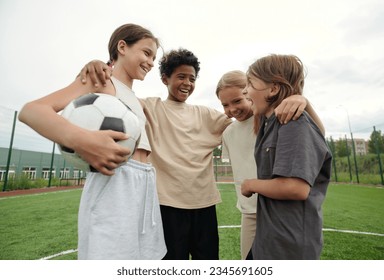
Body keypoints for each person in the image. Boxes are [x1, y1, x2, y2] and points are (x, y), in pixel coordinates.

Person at [79, 51, 324, 260]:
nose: (187, 82)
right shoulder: (150, 107)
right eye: (180, 77)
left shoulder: (212, 116)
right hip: (168, 206)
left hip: (206, 206)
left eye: (192, 78)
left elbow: (254, 117)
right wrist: (103, 68)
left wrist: (299, 98)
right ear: (165, 78)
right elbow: (119, 96)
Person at [18, 23, 167, 260]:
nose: (150, 62)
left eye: (153, 57)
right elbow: (31, 111)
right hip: (114, 183)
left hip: (145, 183)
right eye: (146, 53)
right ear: (122, 47)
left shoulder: (136, 101)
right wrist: (81, 139)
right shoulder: (100, 80)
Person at [216, 70, 325, 259]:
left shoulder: (272, 118)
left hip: (278, 210)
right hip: (250, 212)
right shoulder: (228, 133)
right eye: (225, 104)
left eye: (237, 101)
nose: (231, 109)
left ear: (249, 93)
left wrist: (303, 101)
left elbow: (318, 133)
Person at [241, 54, 332, 260]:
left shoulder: (293, 123)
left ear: (273, 89)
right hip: (270, 240)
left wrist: (251, 184)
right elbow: (320, 133)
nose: (245, 90)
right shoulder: (270, 123)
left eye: (250, 83)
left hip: (288, 248)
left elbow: (295, 188)